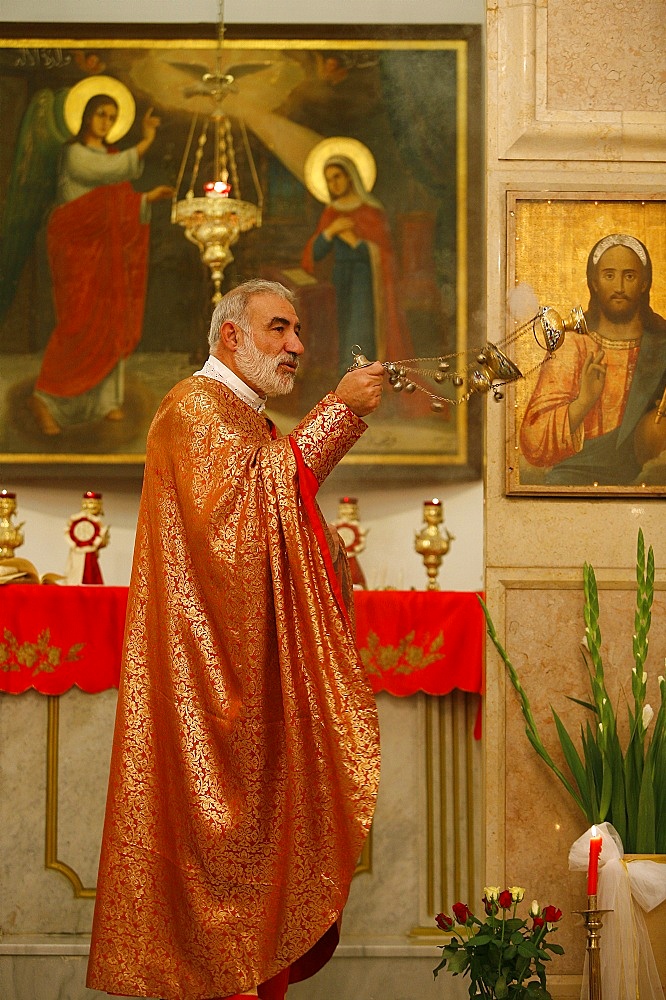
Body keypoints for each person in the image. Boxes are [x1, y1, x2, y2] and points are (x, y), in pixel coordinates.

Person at [86, 279, 384, 1000]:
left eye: (297, 330)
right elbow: (241, 523)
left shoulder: (245, 417)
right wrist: (340, 411)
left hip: (246, 677)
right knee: (218, 877)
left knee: (260, 873)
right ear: (230, 337)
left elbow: (273, 516)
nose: (296, 347)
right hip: (208, 688)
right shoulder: (194, 409)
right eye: (279, 329)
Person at [28, 85, 173, 436]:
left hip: (105, 253)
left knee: (109, 318)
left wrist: (143, 202)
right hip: (76, 250)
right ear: (86, 116)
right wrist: (147, 139)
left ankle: (105, 401)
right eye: (100, 114)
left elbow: (118, 199)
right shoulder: (75, 154)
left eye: (111, 116)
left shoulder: (108, 154)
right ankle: (46, 397)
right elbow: (108, 172)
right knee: (77, 323)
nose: (106, 121)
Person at [519, 233, 666, 485]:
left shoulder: (662, 345)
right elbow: (533, 440)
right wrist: (583, 401)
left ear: (644, 283)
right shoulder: (572, 345)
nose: (619, 287)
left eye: (629, 276)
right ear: (594, 282)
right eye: (609, 275)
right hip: (573, 480)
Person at [301, 145, 414, 374]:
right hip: (339, 277)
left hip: (365, 279)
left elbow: (388, 255)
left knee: (358, 326)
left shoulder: (371, 211)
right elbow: (314, 254)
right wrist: (330, 232)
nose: (334, 184)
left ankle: (359, 372)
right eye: (329, 180)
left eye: (338, 177)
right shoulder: (331, 213)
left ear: (350, 176)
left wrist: (357, 243)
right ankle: (343, 373)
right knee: (339, 327)